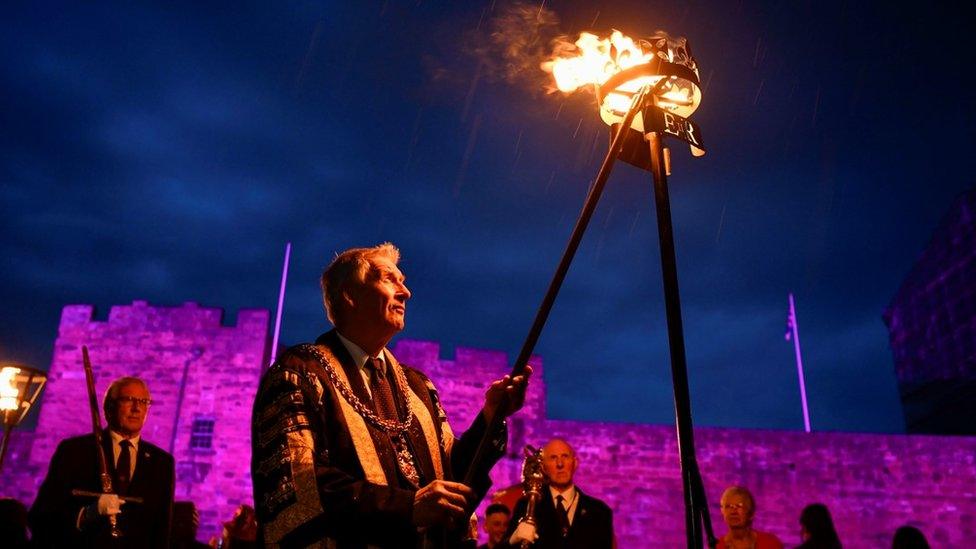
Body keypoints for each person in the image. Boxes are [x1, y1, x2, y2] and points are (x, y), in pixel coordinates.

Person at [251, 243, 530, 547]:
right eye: (389, 279)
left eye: (404, 281)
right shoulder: (299, 373)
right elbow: (296, 483)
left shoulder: (418, 387)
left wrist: (491, 417)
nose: (405, 292)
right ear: (350, 294)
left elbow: (453, 477)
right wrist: (407, 507)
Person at [28, 376, 175, 548]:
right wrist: (87, 514)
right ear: (109, 407)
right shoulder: (75, 451)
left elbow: (162, 529)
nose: (136, 408)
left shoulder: (162, 463)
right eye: (128, 400)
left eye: (143, 401)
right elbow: (42, 515)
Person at [501, 438, 614, 549]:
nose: (560, 464)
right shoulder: (528, 506)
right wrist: (512, 541)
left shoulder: (599, 512)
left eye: (565, 456)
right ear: (543, 468)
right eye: (553, 458)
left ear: (575, 463)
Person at [716, 486, 783, 549]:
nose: (733, 511)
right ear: (722, 511)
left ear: (751, 512)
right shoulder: (717, 547)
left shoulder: (771, 543)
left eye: (739, 506)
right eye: (728, 506)